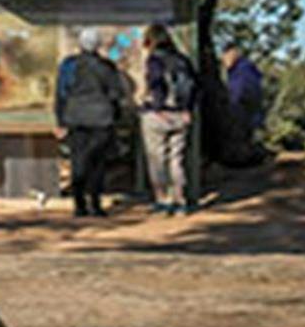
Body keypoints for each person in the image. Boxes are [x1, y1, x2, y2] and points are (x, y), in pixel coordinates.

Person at [55, 27, 127, 217]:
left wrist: (60, 119)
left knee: (78, 161)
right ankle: (95, 203)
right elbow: (115, 94)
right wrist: (116, 117)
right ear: (98, 45)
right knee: (97, 163)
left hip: (76, 117)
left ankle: (79, 205)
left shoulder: (69, 65)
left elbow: (61, 93)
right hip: (101, 119)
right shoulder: (107, 67)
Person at [139, 23, 198, 214]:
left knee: (157, 159)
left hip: (158, 115)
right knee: (176, 159)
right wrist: (187, 109)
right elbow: (196, 85)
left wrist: (153, 105)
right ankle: (180, 200)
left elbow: (155, 82)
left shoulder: (154, 60)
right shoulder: (182, 60)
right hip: (181, 115)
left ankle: (162, 200)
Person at [220, 44, 266, 165]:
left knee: (240, 137)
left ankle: (241, 161)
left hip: (243, 111)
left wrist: (230, 105)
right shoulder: (246, 70)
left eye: (225, 56)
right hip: (249, 112)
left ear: (233, 53)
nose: (223, 61)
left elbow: (239, 92)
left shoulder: (241, 72)